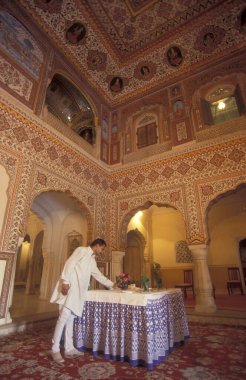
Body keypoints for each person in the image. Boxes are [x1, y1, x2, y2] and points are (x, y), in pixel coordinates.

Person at [50, 238, 115, 363]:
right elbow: (70, 263)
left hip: (78, 292)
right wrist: (65, 281)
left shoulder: (91, 259)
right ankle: (55, 349)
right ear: (97, 245)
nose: (101, 251)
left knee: (70, 319)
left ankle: (69, 348)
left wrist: (112, 284)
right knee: (63, 318)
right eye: (102, 248)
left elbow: (97, 275)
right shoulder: (81, 250)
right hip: (70, 289)